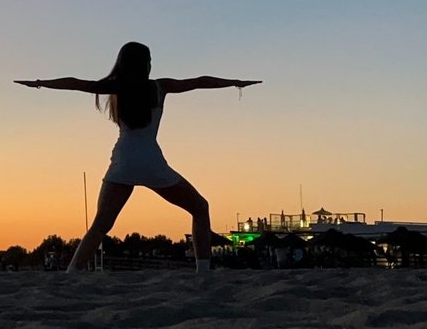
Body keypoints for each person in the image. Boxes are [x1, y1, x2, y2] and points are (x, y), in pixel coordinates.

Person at [16, 41, 259, 273]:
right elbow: (198, 82)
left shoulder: (116, 87)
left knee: (101, 225)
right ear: (145, 64)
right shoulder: (160, 87)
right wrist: (235, 83)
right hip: (152, 162)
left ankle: (72, 272)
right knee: (200, 208)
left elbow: (76, 83)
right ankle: (203, 271)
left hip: (124, 161)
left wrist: (40, 83)